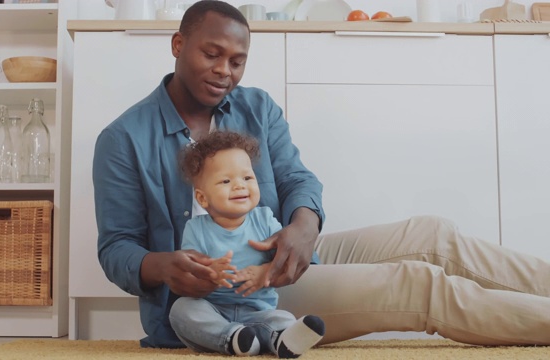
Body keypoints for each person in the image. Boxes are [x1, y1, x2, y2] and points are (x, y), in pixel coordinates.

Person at [93, 0, 550, 350]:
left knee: (431, 234)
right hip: (234, 296)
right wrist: (162, 267)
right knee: (416, 284)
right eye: (211, 54)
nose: (223, 72)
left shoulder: (257, 107)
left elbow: (297, 179)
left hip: (282, 247)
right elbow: (117, 247)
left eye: (237, 61)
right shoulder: (124, 138)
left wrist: (303, 226)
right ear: (178, 45)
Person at [169, 130, 324, 357]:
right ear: (202, 198)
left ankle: (282, 339)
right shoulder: (197, 228)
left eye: (247, 178)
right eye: (226, 180)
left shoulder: (265, 220)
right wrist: (210, 273)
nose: (240, 185)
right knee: (181, 310)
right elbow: (190, 270)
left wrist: (265, 273)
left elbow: (282, 259)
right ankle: (232, 338)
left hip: (258, 311)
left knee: (282, 318)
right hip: (214, 311)